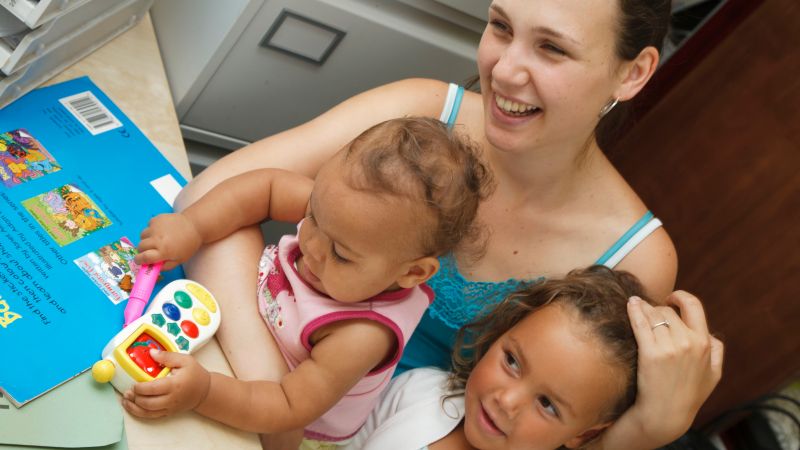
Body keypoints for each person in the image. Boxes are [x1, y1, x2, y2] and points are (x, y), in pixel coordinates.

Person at [174, 0, 724, 448]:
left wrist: (648, 432)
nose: (504, 69)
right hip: (243, 394)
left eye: (552, 47)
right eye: (501, 27)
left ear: (633, 72)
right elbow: (211, 195)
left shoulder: (637, 258)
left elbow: (561, 431)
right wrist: (278, 397)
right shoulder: (421, 109)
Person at [122, 118, 493, 447]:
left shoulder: (361, 333)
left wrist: (204, 392)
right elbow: (265, 187)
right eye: (313, 214)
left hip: (289, 425)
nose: (311, 245)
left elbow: (287, 407)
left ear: (412, 273)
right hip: (248, 356)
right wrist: (194, 226)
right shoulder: (341, 216)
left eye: (342, 255)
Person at [348, 266, 684, 449]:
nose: (507, 400)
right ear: (498, 336)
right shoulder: (420, 390)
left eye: (547, 404)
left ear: (583, 434)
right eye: (512, 361)